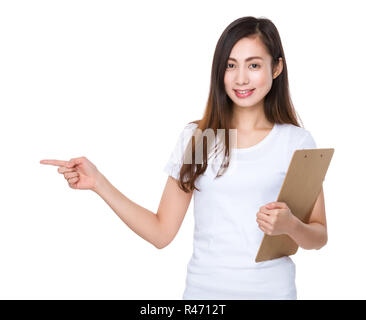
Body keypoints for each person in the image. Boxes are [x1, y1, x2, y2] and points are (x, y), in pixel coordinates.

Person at [40, 16, 328, 300]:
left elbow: (319, 236)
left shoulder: (295, 142)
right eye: (230, 65)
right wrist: (99, 183)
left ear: (276, 67)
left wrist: (291, 225)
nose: (241, 78)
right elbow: (161, 232)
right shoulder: (202, 138)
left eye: (254, 65)